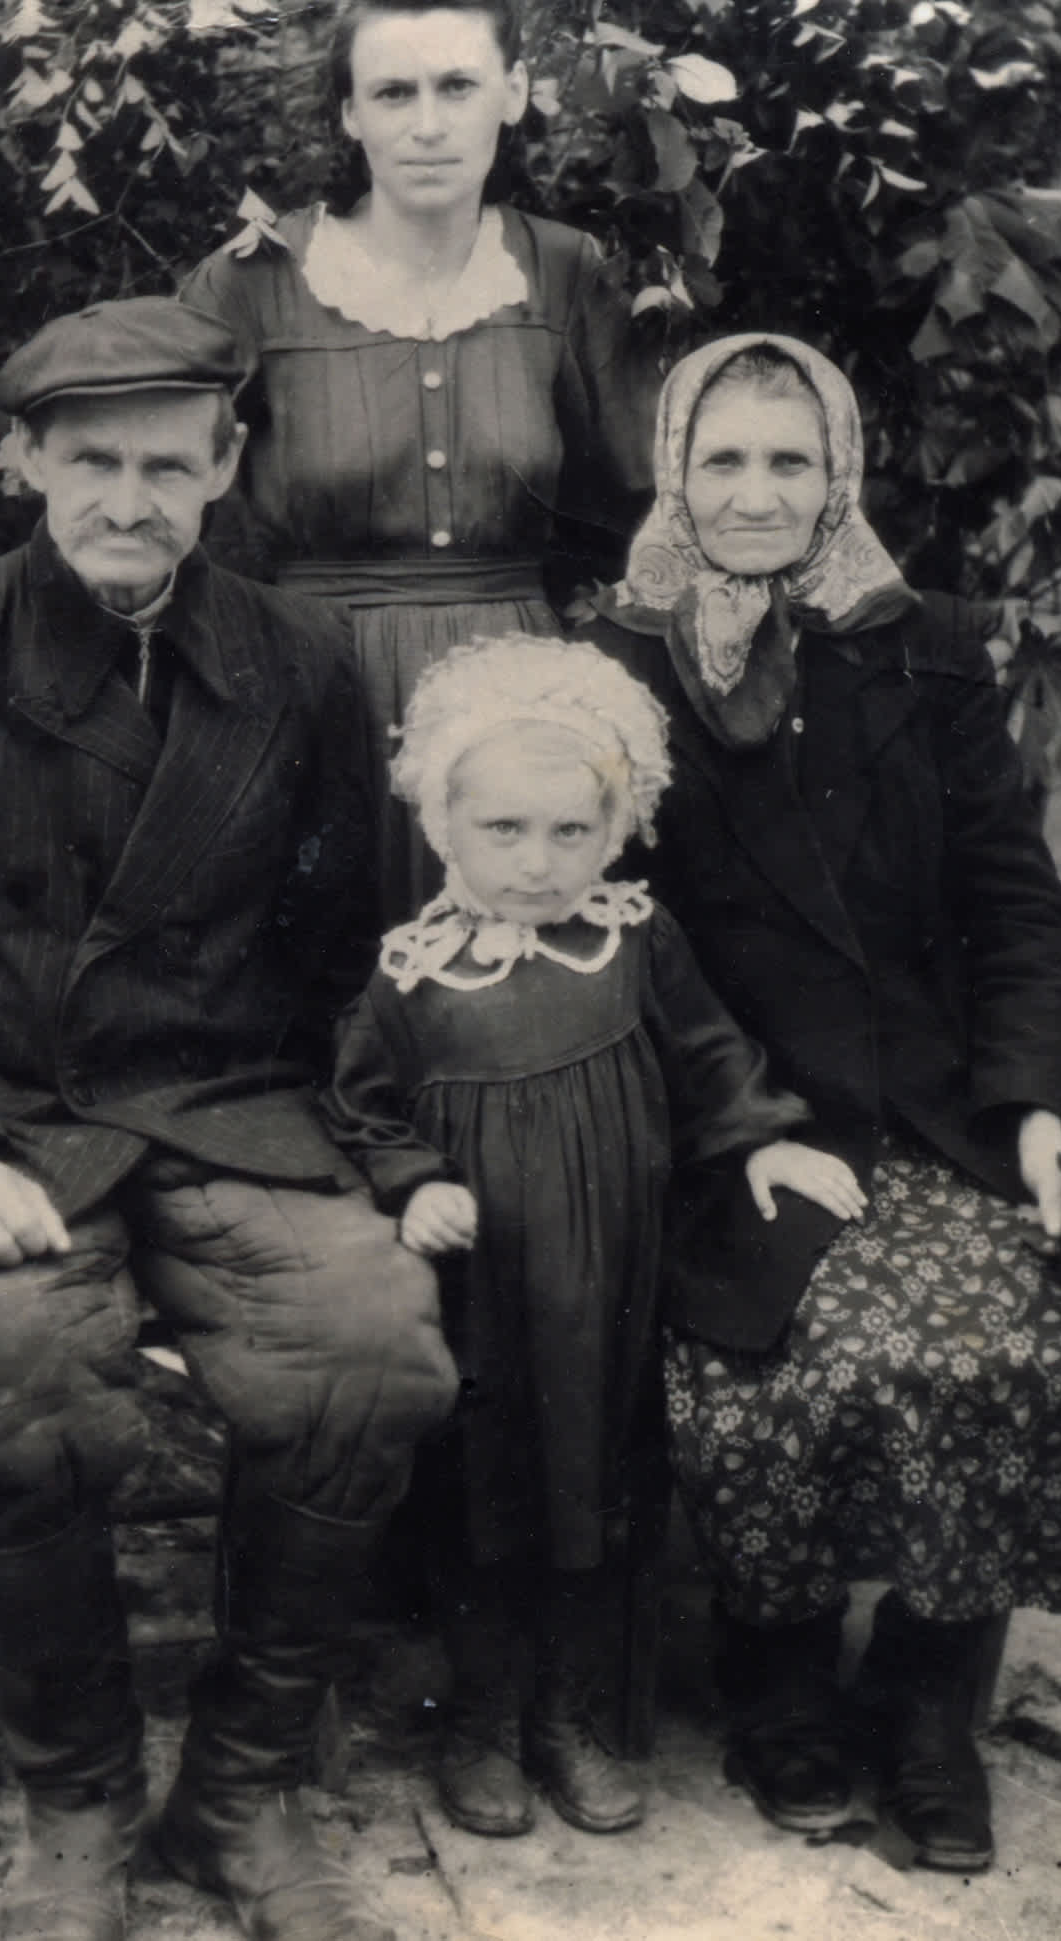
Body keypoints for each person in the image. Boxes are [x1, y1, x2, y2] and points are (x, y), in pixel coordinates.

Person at [0, 297, 460, 1941]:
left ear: (223, 470)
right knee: (4, 1363)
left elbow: (346, 954)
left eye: (166, 465)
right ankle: (75, 1798)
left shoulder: (294, 662)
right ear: (24, 461)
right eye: (91, 464)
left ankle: (241, 1788)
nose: (128, 502)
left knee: (371, 1346)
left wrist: (364, 1142)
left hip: (230, 1112)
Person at [582, 331, 1061, 1873]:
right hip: (739, 1117)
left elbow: (1012, 907)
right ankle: (776, 1684)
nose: (753, 495)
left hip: (934, 1109)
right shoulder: (613, 662)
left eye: (787, 461)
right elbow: (611, 936)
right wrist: (736, 1131)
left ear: (837, 475)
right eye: (721, 460)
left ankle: (921, 1690)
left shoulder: (929, 644)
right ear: (671, 471)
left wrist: (1035, 1110)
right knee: (807, 1352)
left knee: (1044, 1313)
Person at [320, 633, 859, 1841]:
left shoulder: (630, 941)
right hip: (483, 1295)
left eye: (571, 832)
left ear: (615, 830)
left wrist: (759, 1136)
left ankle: (569, 1716)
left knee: (595, 1488)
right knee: (483, 1494)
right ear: (442, 826)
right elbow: (355, 1102)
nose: (536, 862)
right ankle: (478, 1717)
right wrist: (410, 1181)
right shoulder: (411, 977)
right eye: (502, 830)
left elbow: (713, 1057)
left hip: (609, 1281)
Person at [181, 0, 656, 917]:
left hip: (521, 707)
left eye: (457, 86)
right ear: (350, 113)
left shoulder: (567, 272)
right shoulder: (254, 280)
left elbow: (633, 502)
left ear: (513, 95)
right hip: (305, 696)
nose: (427, 123)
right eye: (393, 93)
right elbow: (188, 509)